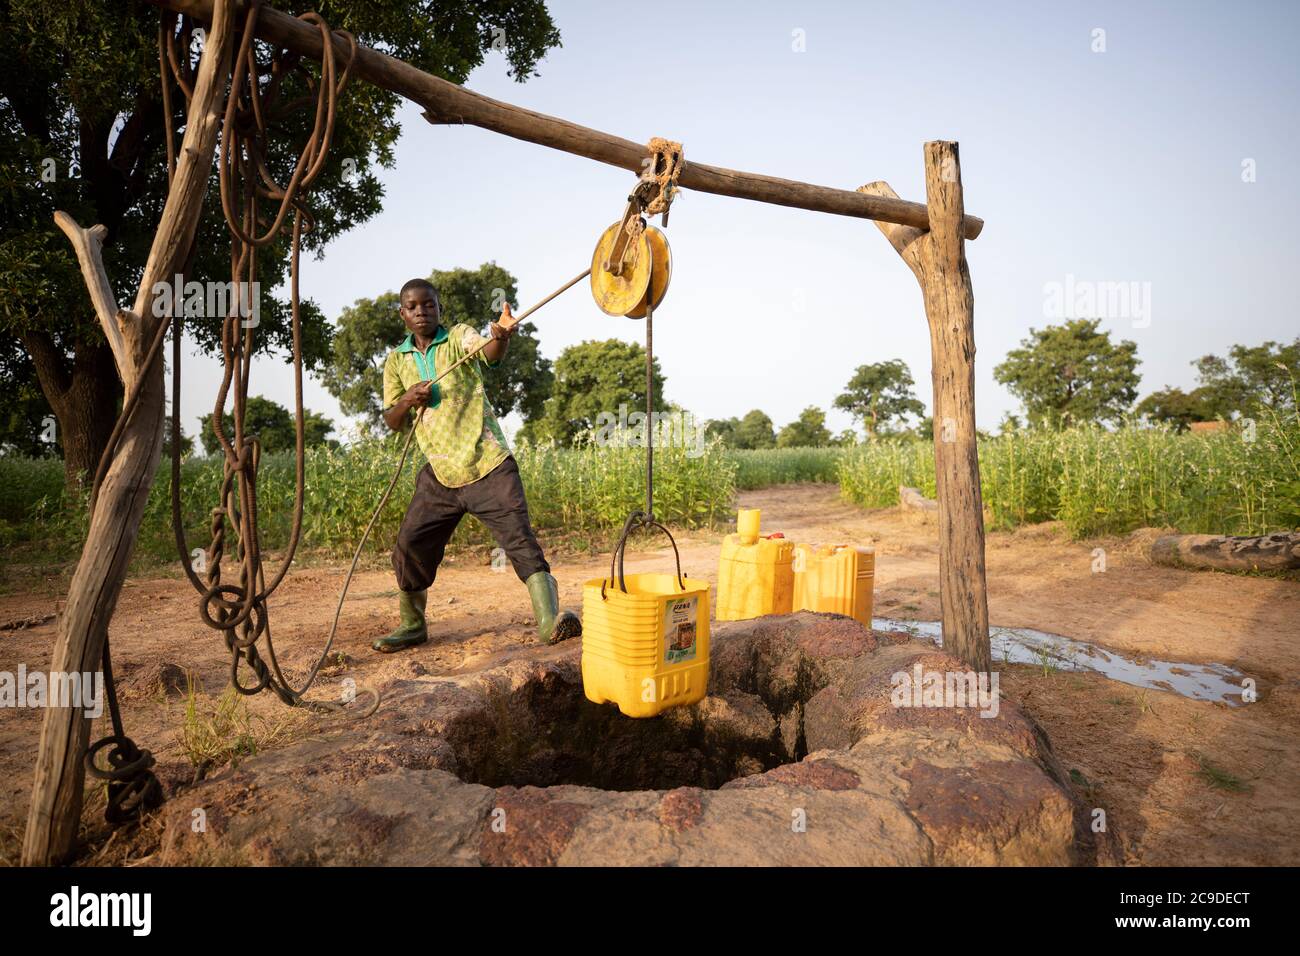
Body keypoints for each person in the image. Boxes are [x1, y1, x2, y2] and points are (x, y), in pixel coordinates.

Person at [372, 277, 581, 652]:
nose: (422, 312)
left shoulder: (458, 338)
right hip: (440, 473)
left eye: (429, 305)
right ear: (402, 314)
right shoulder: (395, 361)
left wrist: (501, 335)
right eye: (413, 307)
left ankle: (549, 622)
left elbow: (488, 351)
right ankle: (412, 624)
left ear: (440, 308)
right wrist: (407, 399)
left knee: (519, 540)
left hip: (489, 464)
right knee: (410, 544)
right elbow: (391, 418)